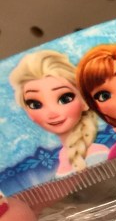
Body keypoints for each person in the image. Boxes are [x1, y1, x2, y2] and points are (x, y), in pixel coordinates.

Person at [8, 49, 109, 177]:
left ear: (84, 101)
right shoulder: (63, 155)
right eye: (35, 104)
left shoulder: (97, 154)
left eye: (65, 99)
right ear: (28, 112)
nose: (52, 113)